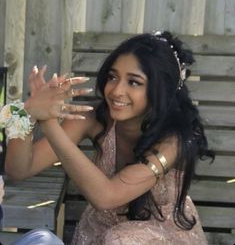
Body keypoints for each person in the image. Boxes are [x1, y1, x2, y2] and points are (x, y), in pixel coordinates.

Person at [2, 31, 213, 245]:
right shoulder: (93, 119)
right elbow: (19, 169)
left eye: (134, 82)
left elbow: (106, 197)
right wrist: (29, 113)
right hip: (99, 234)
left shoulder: (172, 141)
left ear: (160, 89)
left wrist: (48, 122)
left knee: (122, 239)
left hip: (157, 237)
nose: (116, 90)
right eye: (112, 77)